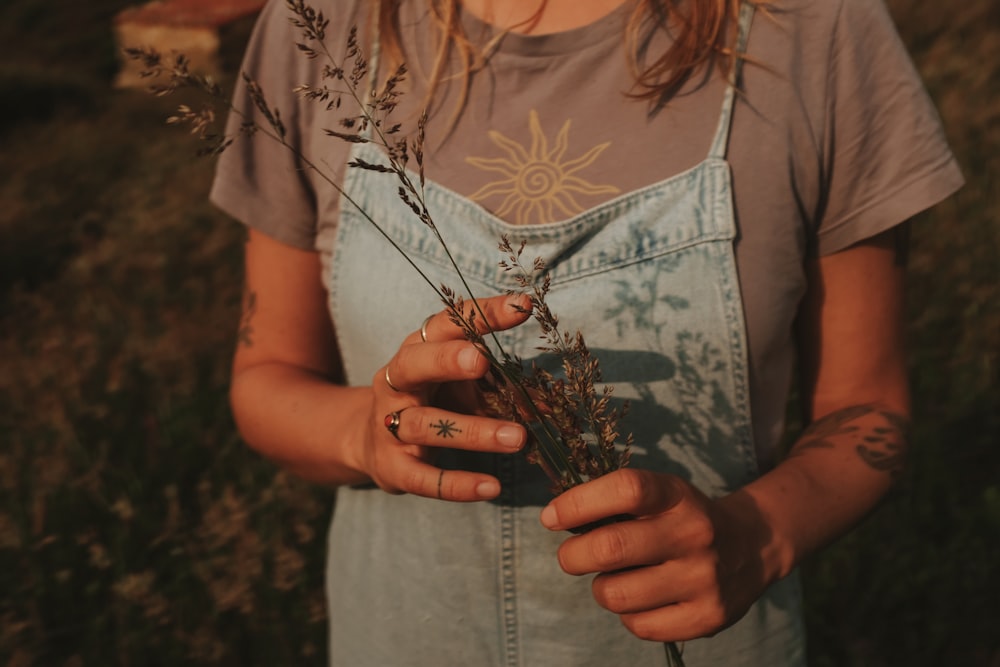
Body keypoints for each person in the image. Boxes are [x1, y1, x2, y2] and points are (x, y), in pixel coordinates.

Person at [209, 0, 963, 664]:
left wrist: (755, 536)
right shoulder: (324, 22)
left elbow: (870, 405)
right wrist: (364, 433)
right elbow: (265, 376)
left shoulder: (816, 27)